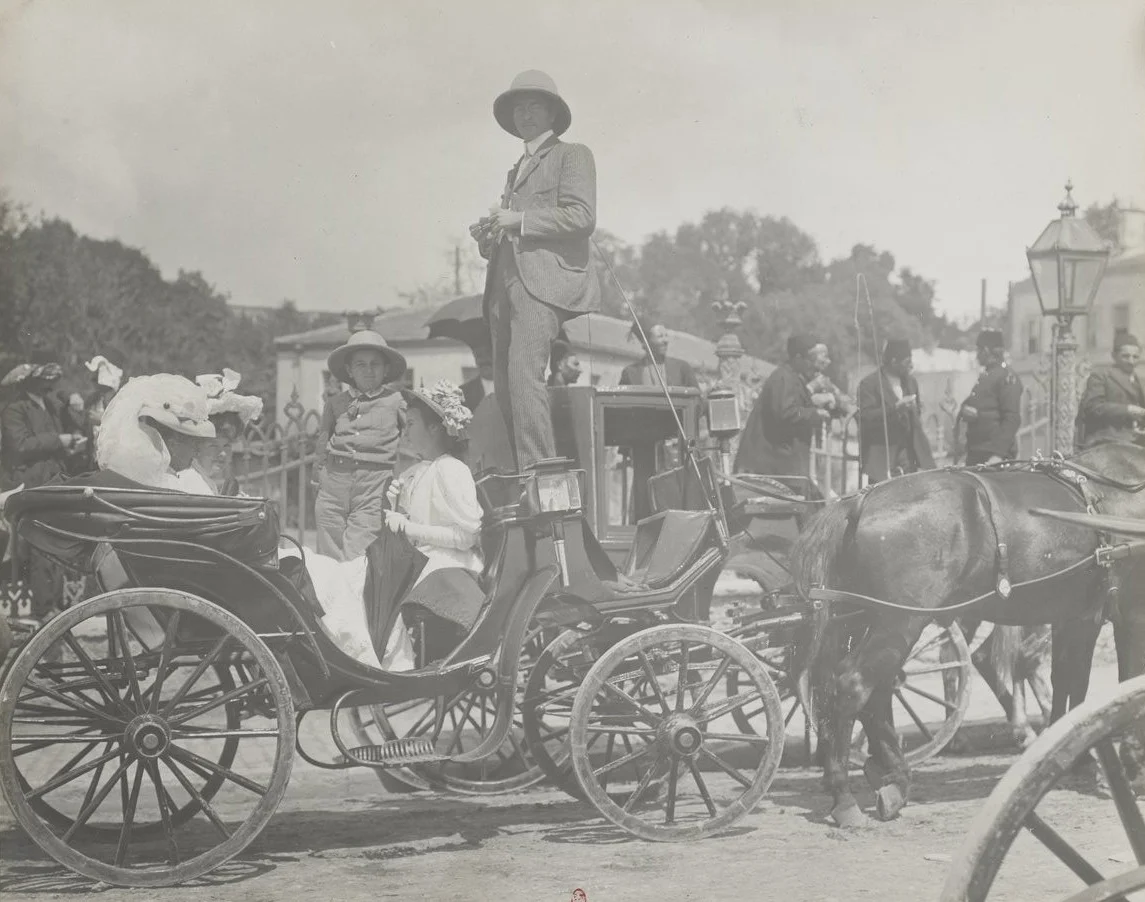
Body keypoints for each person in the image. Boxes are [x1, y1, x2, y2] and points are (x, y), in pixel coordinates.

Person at [470, 69, 599, 473]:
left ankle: (543, 482)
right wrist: (488, 236)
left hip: (540, 285)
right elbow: (511, 231)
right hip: (503, 286)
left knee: (526, 379)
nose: (525, 114)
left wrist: (519, 220)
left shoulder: (571, 154)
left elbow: (582, 216)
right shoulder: (516, 169)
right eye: (518, 108)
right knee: (508, 388)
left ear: (552, 113)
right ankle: (525, 476)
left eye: (534, 106)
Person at [384, 381, 485, 663]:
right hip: (421, 561)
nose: (405, 431)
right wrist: (395, 509)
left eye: (412, 423)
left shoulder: (451, 469)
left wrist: (406, 526)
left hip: (447, 565)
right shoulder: (415, 471)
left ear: (434, 428)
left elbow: (467, 537)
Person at [314, 329, 407, 561]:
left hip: (374, 485)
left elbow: (411, 439)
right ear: (349, 370)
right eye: (360, 364)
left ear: (386, 369)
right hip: (334, 481)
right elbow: (323, 440)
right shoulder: (335, 403)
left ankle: (354, 597)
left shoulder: (396, 401)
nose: (368, 370)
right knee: (329, 554)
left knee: (358, 553)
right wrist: (320, 476)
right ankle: (329, 598)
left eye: (375, 364)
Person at [733, 333, 836, 496]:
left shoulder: (792, 378)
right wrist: (815, 413)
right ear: (797, 358)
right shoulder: (783, 378)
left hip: (782, 465)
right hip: (772, 467)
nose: (812, 364)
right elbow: (786, 412)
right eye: (809, 359)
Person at [857, 338, 935, 484]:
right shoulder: (869, 385)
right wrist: (895, 408)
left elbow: (916, 412)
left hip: (907, 454)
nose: (911, 366)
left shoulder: (911, 382)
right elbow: (865, 418)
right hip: (882, 455)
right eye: (907, 362)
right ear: (893, 362)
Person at [0, 357, 85, 490]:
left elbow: (70, 424)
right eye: (44, 380)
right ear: (29, 382)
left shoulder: (50, 404)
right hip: (28, 480)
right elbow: (20, 446)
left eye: (50, 380)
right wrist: (59, 440)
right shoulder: (14, 409)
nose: (49, 384)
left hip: (55, 475)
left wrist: (73, 440)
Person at [192, 368, 264, 495]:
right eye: (213, 445)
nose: (223, 454)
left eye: (226, 445)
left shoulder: (207, 482)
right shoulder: (191, 483)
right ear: (195, 447)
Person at [958, 329, 1023, 466]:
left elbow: (1012, 418)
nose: (976, 355)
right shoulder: (987, 375)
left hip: (994, 456)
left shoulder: (1007, 377)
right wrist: (964, 410)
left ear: (986, 351)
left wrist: (998, 455)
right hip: (978, 452)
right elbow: (976, 405)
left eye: (978, 350)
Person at [1078, 330, 1145, 448]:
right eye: (1125, 356)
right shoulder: (1101, 376)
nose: (1131, 361)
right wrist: (1128, 409)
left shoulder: (1140, 380)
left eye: (1135, 357)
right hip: (1106, 440)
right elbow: (1092, 408)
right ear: (1114, 355)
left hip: (1136, 440)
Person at [618, 322, 700, 389]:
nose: (666, 340)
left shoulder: (682, 368)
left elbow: (698, 402)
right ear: (645, 343)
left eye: (666, 335)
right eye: (660, 336)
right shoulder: (630, 372)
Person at [460, 346, 495, 413]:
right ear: (475, 359)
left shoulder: (511, 387)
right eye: (479, 355)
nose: (484, 360)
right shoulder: (462, 393)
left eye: (489, 354)